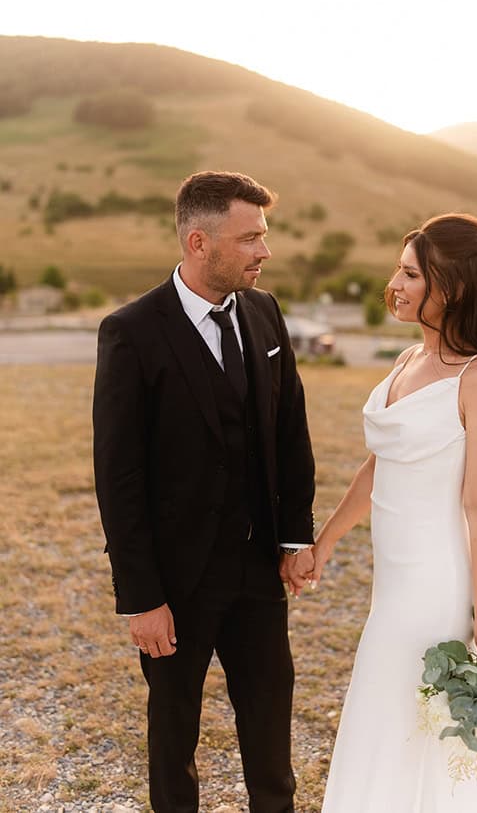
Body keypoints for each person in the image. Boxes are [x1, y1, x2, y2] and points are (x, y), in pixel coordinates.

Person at [93, 171, 316, 813]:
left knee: (272, 746)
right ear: (199, 242)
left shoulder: (264, 311)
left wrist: (295, 536)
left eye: (264, 237)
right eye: (250, 239)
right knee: (173, 743)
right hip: (175, 583)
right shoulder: (132, 331)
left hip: (257, 574)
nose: (263, 252)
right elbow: (119, 475)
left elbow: (289, 430)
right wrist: (141, 599)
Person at [311, 213, 477, 812]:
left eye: (413, 274)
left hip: (436, 586)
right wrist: (325, 542)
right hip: (392, 583)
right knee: (386, 712)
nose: (398, 283)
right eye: (400, 269)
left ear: (454, 287)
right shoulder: (408, 359)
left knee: (426, 726)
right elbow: (376, 468)